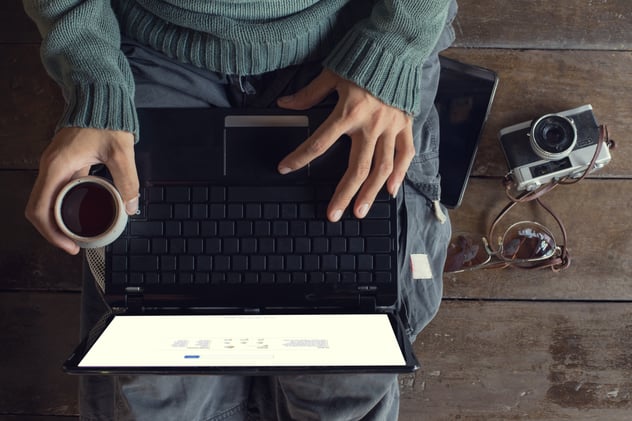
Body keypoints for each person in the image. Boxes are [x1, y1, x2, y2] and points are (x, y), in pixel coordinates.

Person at [23, 0, 456, 419]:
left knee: (348, 367)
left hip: (356, 31)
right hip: (152, 40)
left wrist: (392, 47)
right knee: (155, 379)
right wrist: (94, 77)